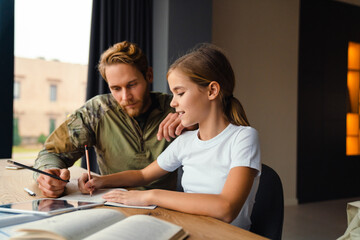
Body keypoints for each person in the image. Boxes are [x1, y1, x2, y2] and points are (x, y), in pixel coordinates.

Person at [80, 43, 261, 230]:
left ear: (212, 91)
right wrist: (102, 181)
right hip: (191, 230)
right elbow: (143, 175)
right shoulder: (186, 141)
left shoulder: (243, 138)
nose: (173, 102)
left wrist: (150, 196)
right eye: (173, 94)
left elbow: (226, 208)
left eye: (180, 93)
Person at [33, 41, 187, 198]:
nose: (126, 97)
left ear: (149, 75)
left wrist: (192, 123)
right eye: (116, 89)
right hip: (112, 204)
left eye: (132, 85)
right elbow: (51, 153)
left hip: (165, 209)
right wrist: (48, 174)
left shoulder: (176, 108)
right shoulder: (96, 111)